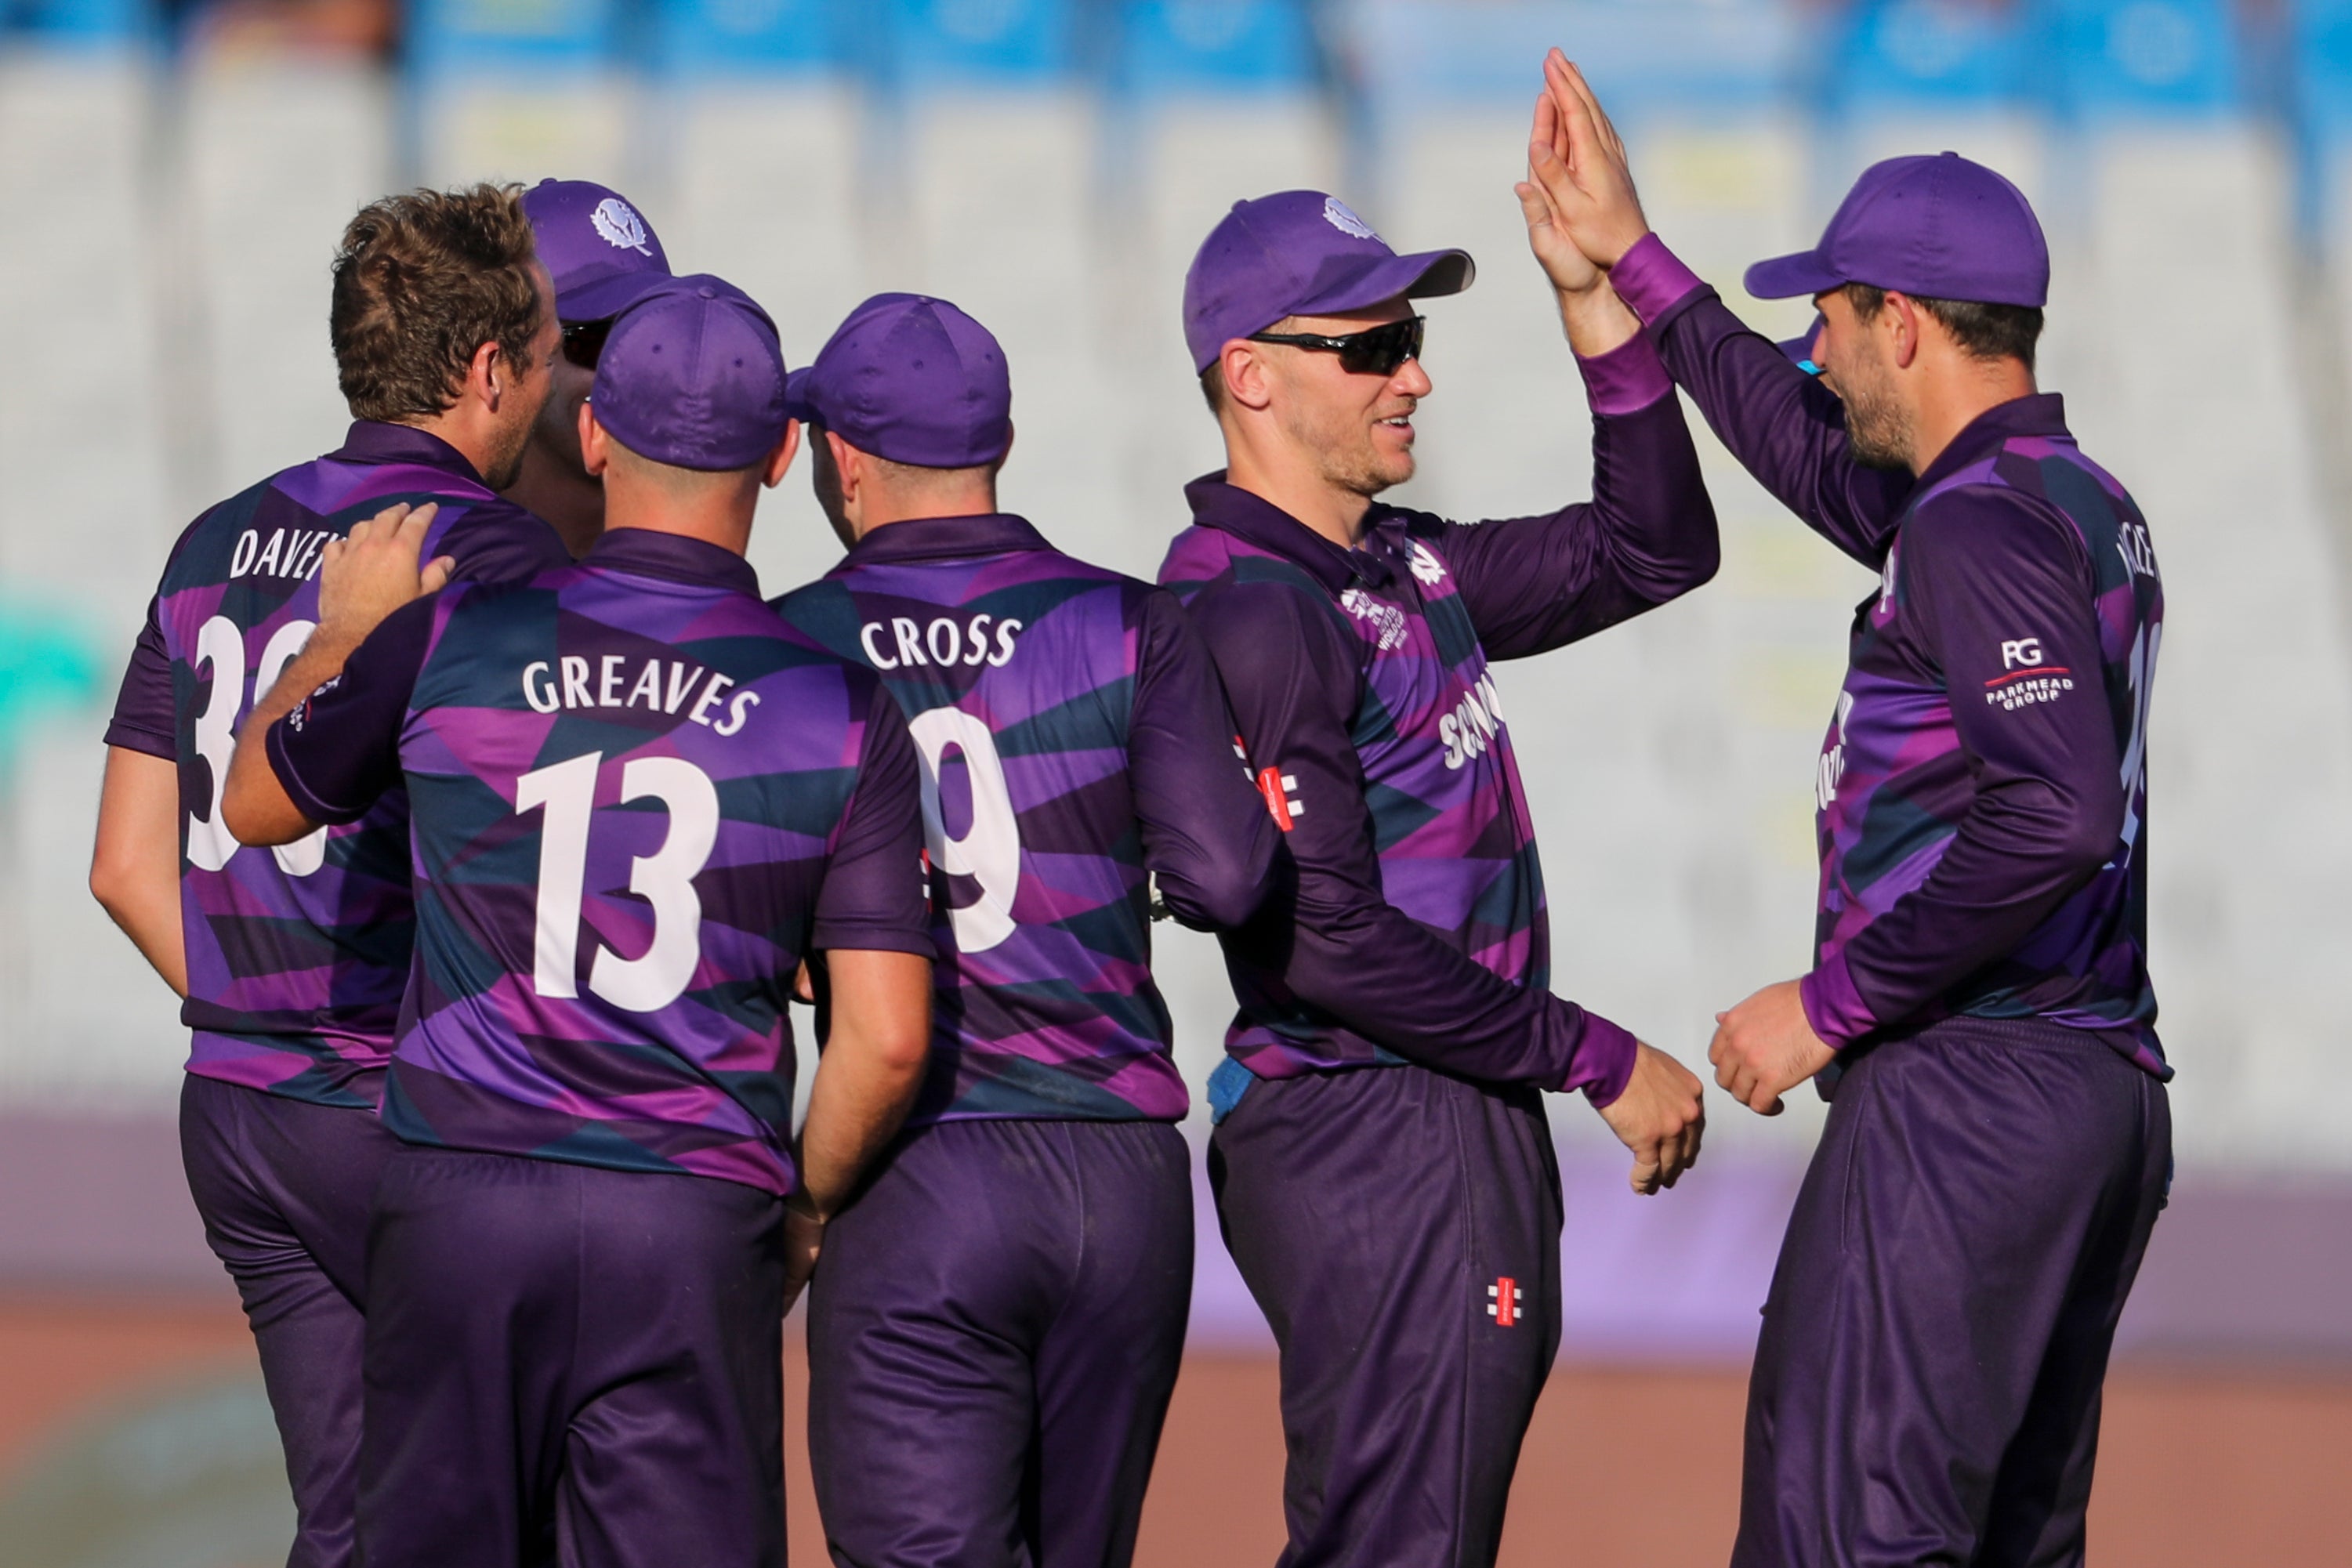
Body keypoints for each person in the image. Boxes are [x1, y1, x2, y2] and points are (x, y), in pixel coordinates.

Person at [1522, 52, 2171, 1566]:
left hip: (1974, 1090)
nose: (1809, 349)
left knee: (1847, 1538)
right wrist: (1632, 256)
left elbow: (2056, 811)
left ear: (1904, 321)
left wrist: (1833, 999)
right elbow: (1811, 455)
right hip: (2083, 1093)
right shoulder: (2061, 496)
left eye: (1827, 314)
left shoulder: (1984, 522)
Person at [219, 277, 935, 1568]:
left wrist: (335, 638)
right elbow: (884, 1038)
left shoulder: (452, 633)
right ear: (783, 454)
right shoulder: (837, 704)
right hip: (690, 1210)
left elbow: (259, 801)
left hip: (462, 1202)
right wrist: (808, 1207)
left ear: (593, 433)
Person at [1158, 168, 1717, 1565]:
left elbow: (1658, 548)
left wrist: (1589, 297)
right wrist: (1588, 1050)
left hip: (1435, 1117)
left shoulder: (1398, 566)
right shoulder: (1253, 605)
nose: (1413, 375)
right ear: (1252, 379)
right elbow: (1329, 941)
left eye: (1409, 338)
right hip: (1373, 1126)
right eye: (1369, 347)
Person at [87, 183, 571, 1568]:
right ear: (489, 372)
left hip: (237, 1102)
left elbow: (126, 867)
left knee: (348, 1520)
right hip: (397, 1105)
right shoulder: (487, 551)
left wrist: (262, 1017)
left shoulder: (211, 540)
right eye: (543, 357)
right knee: (509, 1512)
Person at [770, 293, 1281, 1568]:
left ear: (840, 456)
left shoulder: (791, 642)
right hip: (1120, 1181)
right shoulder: (1126, 621)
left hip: (921, 1167)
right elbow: (1226, 875)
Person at [503, 178, 675, 556]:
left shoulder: (693, 577)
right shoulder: (436, 567)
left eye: (653, 336)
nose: (630, 367)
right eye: (594, 339)